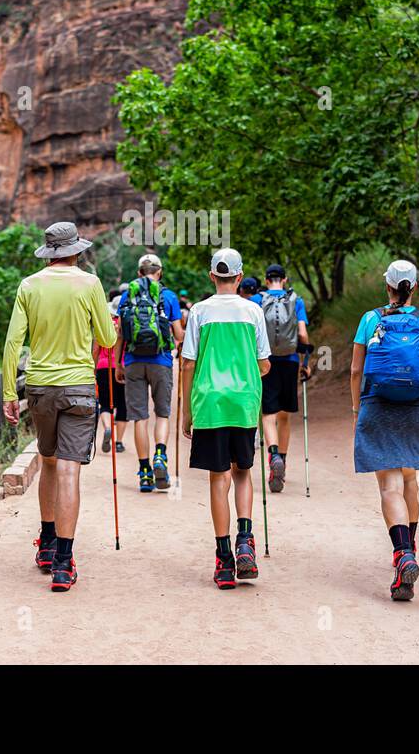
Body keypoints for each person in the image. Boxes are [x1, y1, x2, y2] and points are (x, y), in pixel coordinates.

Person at [2, 221, 117, 593]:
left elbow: (12, 343)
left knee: (48, 463)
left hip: (39, 388)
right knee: (69, 470)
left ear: (49, 252)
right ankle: (64, 565)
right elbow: (107, 337)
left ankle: (47, 543)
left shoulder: (29, 286)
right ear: (76, 251)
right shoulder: (90, 284)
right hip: (80, 387)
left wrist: (8, 393)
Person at [349, 259, 419, 602]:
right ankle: (405, 556)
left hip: (379, 405)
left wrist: (356, 407)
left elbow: (355, 369)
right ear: (414, 288)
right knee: (409, 479)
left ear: (387, 286)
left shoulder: (370, 319)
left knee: (389, 485)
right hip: (418, 409)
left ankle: (402, 554)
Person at [179, 248, 271, 589]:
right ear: (240, 274)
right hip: (244, 402)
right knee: (243, 472)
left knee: (219, 479)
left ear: (211, 276)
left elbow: (188, 363)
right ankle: (245, 540)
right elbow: (264, 363)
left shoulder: (200, 312)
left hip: (210, 403)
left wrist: (188, 411)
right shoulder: (253, 311)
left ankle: (223, 561)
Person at [115, 253, 184, 492]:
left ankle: (145, 472)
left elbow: (121, 334)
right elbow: (178, 335)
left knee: (140, 418)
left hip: (133, 360)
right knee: (162, 414)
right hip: (161, 361)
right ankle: (160, 457)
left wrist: (118, 364)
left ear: (138, 273)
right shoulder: (169, 297)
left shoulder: (127, 296)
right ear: (160, 272)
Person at [257, 263, 311, 493]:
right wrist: (305, 364)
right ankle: (284, 462)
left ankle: (273, 456)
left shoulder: (257, 301)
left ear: (267, 279)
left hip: (266, 362)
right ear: (285, 279)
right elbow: (302, 334)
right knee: (284, 417)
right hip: (289, 361)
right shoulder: (296, 300)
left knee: (268, 415)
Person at [94, 291, 128, 454]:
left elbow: (95, 349)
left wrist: (92, 369)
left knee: (105, 403)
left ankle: (108, 427)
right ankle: (119, 442)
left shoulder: (103, 326)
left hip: (102, 367)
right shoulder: (127, 325)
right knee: (122, 404)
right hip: (122, 367)